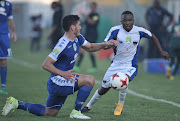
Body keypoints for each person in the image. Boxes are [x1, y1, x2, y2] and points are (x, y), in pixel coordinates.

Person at [2, 15, 118, 119]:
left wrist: (105, 44)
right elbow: (45, 64)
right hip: (57, 81)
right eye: (79, 25)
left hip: (61, 81)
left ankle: (16, 103)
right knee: (89, 80)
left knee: (50, 113)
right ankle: (76, 112)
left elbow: (90, 47)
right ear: (72, 28)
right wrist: (63, 74)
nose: (80, 27)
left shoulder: (78, 37)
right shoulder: (62, 44)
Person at [81, 11, 169, 116]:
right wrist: (110, 44)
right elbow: (106, 44)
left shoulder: (139, 31)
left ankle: (120, 105)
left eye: (130, 20)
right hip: (115, 64)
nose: (127, 22)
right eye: (125, 20)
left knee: (124, 79)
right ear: (121, 21)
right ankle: (89, 106)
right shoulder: (115, 30)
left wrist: (161, 51)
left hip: (130, 65)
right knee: (103, 89)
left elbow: (153, 36)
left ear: (133, 21)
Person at [74, 2, 100, 73]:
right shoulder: (90, 14)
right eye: (91, 6)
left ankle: (94, 67)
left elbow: (92, 22)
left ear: (95, 7)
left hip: (93, 35)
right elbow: (85, 22)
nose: (92, 8)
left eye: (93, 7)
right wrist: (77, 22)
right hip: (87, 34)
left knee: (90, 51)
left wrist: (86, 16)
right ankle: (77, 66)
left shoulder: (96, 15)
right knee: (82, 50)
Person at [0, 0, 17, 94]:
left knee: (3, 60)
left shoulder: (8, 4)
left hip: (4, 35)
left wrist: (14, 32)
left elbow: (10, 20)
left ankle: (3, 87)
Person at [166, 15, 180, 80]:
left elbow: (169, 35)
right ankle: (173, 75)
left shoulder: (174, 26)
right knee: (178, 61)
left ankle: (168, 71)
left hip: (172, 45)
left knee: (172, 59)